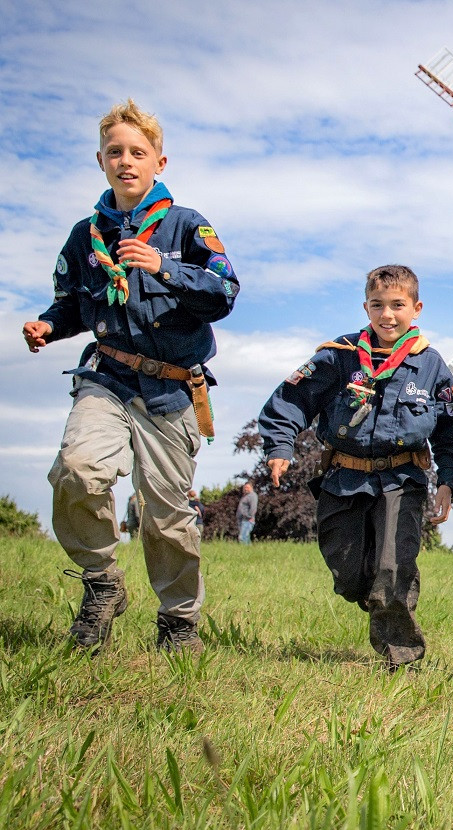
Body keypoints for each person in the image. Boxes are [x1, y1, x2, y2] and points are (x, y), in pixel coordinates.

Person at [22, 99, 238, 653]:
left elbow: (225, 291)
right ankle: (101, 581)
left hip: (170, 389)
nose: (126, 161)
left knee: (167, 518)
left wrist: (163, 266)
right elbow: (71, 302)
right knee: (76, 468)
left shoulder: (189, 226)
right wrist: (48, 325)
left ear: (159, 163)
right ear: (100, 161)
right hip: (108, 377)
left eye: (138, 152)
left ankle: (179, 622)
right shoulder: (84, 236)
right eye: (115, 152)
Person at [258, 265, 453, 670]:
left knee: (392, 569)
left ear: (416, 308)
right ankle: (379, 599)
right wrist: (280, 446)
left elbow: (450, 430)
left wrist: (448, 480)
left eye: (397, 305)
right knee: (349, 573)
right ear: (366, 307)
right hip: (344, 478)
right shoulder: (338, 357)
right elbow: (290, 400)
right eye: (378, 306)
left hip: (401, 479)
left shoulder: (431, 365)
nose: (388, 315)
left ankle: (401, 658)